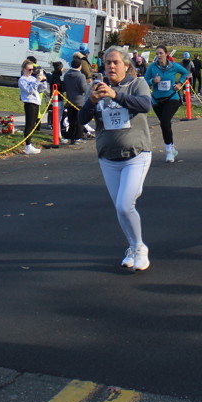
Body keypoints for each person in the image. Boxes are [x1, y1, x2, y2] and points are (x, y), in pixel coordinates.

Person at [79, 47, 153, 271]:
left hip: (136, 154)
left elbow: (145, 105)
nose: (111, 66)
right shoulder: (96, 87)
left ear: (126, 65)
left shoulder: (136, 84)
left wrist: (115, 95)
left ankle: (140, 248)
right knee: (121, 208)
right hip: (108, 157)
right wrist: (91, 102)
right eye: (107, 62)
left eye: (115, 62)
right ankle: (132, 246)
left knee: (124, 205)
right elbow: (81, 119)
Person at [144, 45, 189, 163]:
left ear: (166, 54)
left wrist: (179, 84)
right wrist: (153, 81)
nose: (159, 55)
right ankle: (172, 147)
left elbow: (185, 73)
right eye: (157, 54)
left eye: (161, 53)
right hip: (157, 100)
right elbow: (145, 81)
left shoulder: (173, 66)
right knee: (166, 125)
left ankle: (169, 152)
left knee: (164, 122)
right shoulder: (152, 67)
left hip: (172, 98)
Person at [19, 60, 47, 155]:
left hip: (36, 102)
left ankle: (30, 144)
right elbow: (29, 90)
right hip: (29, 103)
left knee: (33, 124)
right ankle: (28, 145)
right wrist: (37, 81)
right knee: (29, 124)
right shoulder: (22, 80)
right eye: (29, 69)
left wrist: (43, 80)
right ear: (24, 69)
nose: (31, 71)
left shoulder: (32, 78)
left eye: (32, 69)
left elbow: (40, 89)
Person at [63, 53, 90, 145]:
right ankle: (78, 137)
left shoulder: (66, 75)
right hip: (79, 100)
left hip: (70, 100)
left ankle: (71, 136)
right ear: (80, 66)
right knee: (79, 120)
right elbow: (84, 89)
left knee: (71, 120)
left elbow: (65, 87)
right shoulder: (81, 76)